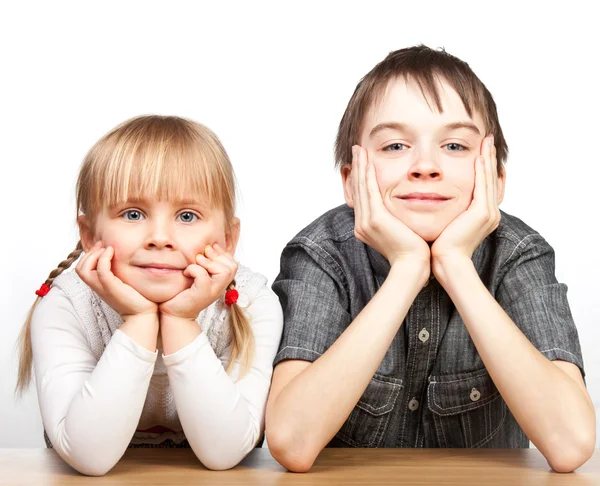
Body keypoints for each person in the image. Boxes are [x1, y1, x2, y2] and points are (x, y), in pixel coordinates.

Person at [265, 45, 595, 473]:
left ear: (496, 179)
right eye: (396, 145)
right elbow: (291, 442)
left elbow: (570, 444)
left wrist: (455, 263)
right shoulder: (320, 255)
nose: (425, 165)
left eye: (455, 145)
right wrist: (407, 268)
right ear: (350, 180)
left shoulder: (518, 253)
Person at [16, 115, 283, 475]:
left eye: (187, 216)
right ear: (90, 235)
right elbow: (88, 457)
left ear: (228, 240)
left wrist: (180, 321)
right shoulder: (66, 304)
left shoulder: (250, 303)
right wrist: (140, 321)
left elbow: (225, 453)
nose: (160, 237)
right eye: (133, 213)